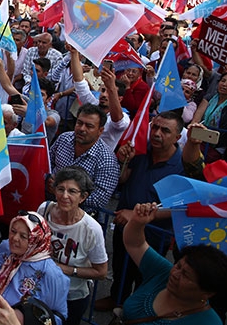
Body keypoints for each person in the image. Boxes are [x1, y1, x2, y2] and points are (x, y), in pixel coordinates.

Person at [96, 111, 185, 312]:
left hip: (153, 234)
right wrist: (123, 160)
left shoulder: (181, 166)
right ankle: (116, 299)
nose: (156, 133)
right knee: (120, 266)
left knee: (145, 275)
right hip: (122, 225)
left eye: (165, 130)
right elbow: (122, 179)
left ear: (177, 137)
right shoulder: (140, 151)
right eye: (154, 127)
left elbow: (179, 207)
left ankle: (135, 311)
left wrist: (139, 218)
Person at [117, 203, 227, 324]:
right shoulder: (164, 272)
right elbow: (136, 244)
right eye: (179, 266)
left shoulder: (210, 322)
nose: (175, 273)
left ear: (206, 293)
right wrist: (137, 222)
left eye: (185, 275)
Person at [37, 167, 107, 325]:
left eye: (72, 191)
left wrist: (63, 269)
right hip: (41, 288)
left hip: (72, 296)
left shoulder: (91, 230)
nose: (64, 196)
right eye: (60, 189)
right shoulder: (44, 210)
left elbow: (101, 272)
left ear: (83, 197)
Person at [0, 211, 69, 324]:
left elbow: (58, 316)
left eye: (23, 236)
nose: (15, 238)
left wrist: (23, 318)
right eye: (13, 231)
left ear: (36, 241)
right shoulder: (6, 248)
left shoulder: (51, 274)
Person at [49, 104, 120, 211]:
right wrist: (47, 179)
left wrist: (63, 194)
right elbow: (47, 163)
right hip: (48, 202)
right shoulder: (63, 139)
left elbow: (99, 199)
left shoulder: (107, 161)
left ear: (100, 131)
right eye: (79, 123)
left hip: (79, 214)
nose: (82, 129)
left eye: (89, 126)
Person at [191, 72, 227, 162]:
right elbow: (197, 117)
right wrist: (193, 128)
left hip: (219, 145)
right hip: (200, 138)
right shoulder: (210, 97)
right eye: (223, 81)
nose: (224, 84)